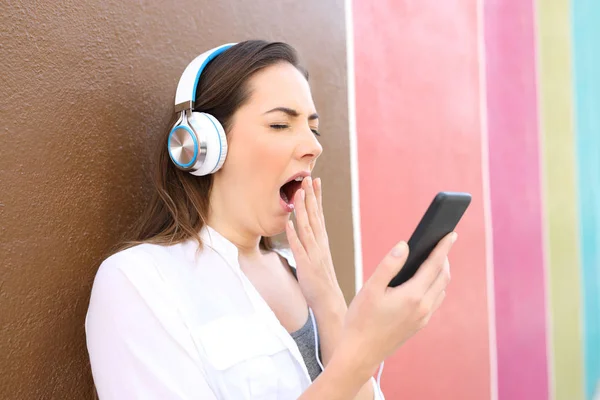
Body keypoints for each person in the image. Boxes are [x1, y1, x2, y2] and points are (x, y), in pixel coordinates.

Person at [85, 39, 455, 400]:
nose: (314, 146)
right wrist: (363, 354)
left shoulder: (301, 269)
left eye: (313, 127)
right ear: (204, 145)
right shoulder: (139, 281)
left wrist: (329, 301)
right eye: (281, 125)